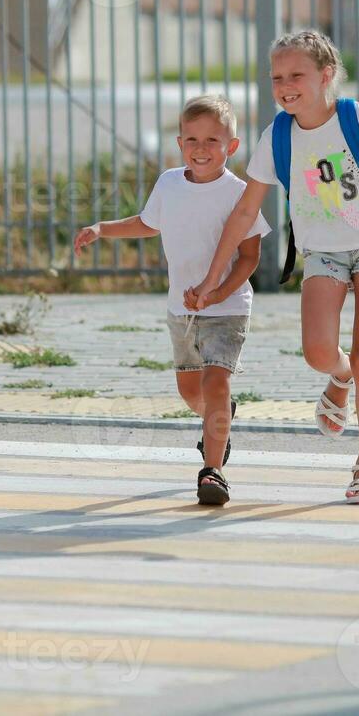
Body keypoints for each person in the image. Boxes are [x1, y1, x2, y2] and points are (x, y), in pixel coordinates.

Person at [185, 30, 359, 504]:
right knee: (320, 352)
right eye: (277, 77)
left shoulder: (358, 119)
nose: (285, 84)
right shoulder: (276, 136)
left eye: (296, 74)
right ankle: (340, 379)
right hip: (322, 253)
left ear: (326, 75)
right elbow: (242, 214)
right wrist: (213, 278)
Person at [73, 93, 269, 506]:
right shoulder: (169, 183)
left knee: (216, 380)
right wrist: (101, 228)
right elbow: (147, 223)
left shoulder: (239, 193)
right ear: (180, 144)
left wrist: (219, 292)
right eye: (192, 140)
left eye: (213, 140)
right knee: (190, 392)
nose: (201, 149)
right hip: (181, 310)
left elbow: (250, 257)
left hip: (228, 308)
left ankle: (212, 471)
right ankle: (219, 419)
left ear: (231, 147)